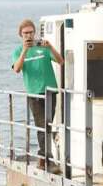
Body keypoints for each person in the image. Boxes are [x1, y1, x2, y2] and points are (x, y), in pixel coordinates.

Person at [10, 19, 63, 169]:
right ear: (20, 34)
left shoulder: (43, 48)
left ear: (35, 33)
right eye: (25, 33)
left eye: (31, 32)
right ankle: (48, 159)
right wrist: (25, 51)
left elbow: (61, 61)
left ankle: (42, 157)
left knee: (48, 125)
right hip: (34, 94)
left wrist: (51, 47)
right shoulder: (18, 51)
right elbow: (17, 69)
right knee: (42, 125)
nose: (28, 35)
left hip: (50, 90)